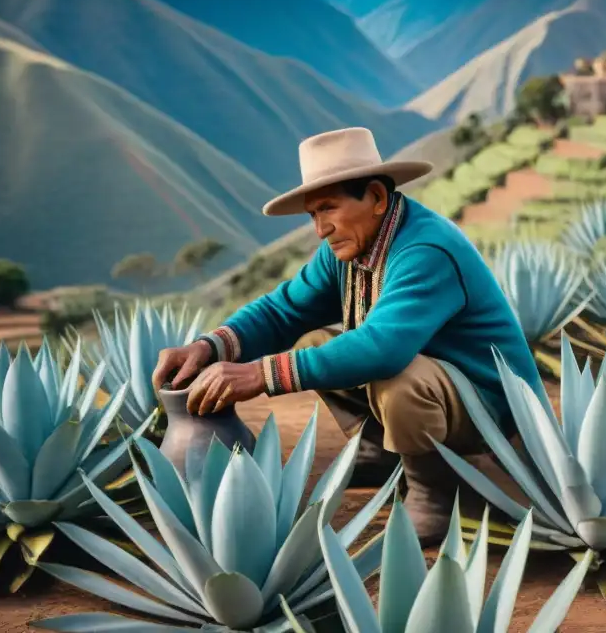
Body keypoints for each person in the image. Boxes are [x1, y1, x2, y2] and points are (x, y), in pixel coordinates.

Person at [150, 126, 542, 545]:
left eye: (328, 209)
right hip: (446, 395)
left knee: (399, 380)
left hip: (491, 410)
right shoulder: (352, 248)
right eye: (313, 214)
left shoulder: (425, 251)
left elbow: (383, 349)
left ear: (375, 197)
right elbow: (284, 310)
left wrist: (260, 374)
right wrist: (209, 345)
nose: (320, 228)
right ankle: (380, 452)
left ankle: (433, 495)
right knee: (316, 343)